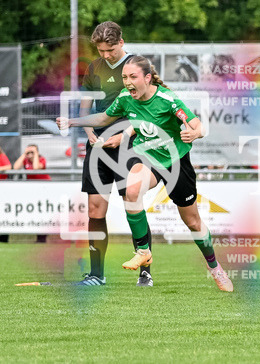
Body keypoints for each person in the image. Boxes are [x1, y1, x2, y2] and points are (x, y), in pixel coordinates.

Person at [57, 56, 233, 292]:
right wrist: (73, 122)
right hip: (147, 156)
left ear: (147, 78)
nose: (127, 82)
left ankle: (215, 268)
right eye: (124, 78)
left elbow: (197, 124)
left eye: (133, 77)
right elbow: (103, 118)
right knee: (131, 191)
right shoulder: (126, 99)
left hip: (175, 161)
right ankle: (143, 251)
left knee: (192, 221)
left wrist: (195, 134)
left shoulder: (167, 100)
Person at [74, 21, 145, 286]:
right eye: (101, 50)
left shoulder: (138, 66)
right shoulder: (94, 68)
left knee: (132, 206)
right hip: (98, 148)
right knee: (95, 210)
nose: (105, 55)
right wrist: (89, 132)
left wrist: (126, 134)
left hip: (130, 145)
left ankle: (145, 269)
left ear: (121, 43)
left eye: (110, 50)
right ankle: (96, 274)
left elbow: (149, 109)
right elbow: (85, 107)